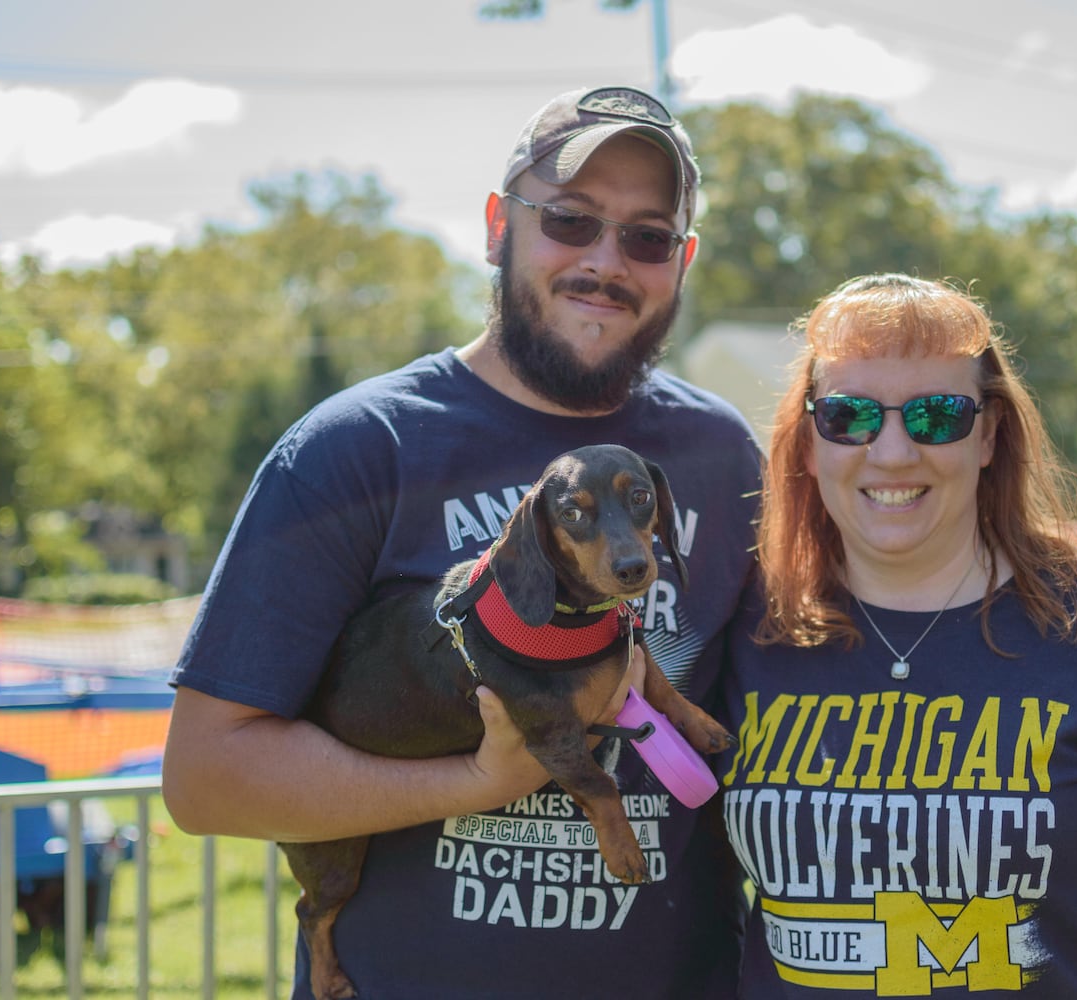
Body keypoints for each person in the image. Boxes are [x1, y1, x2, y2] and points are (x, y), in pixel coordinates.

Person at [161, 85, 761, 998]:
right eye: (570, 220)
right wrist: (479, 779)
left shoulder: (724, 454)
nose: (606, 261)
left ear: (681, 261)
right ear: (497, 227)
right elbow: (207, 780)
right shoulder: (355, 449)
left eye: (647, 237)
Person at [715, 273, 1077, 997]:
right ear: (809, 440)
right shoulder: (743, 627)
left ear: (989, 433)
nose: (892, 452)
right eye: (848, 415)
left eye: (937, 416)